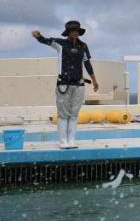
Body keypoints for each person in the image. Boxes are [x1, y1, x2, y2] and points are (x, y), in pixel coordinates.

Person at [32, 20, 99, 148]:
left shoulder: (83, 46)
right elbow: (46, 41)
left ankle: (72, 140)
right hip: (63, 83)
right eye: (72, 31)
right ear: (68, 32)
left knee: (74, 114)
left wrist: (94, 80)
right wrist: (38, 36)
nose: (74, 33)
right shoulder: (61, 43)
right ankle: (63, 141)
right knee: (63, 114)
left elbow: (87, 63)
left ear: (79, 32)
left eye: (76, 31)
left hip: (79, 84)